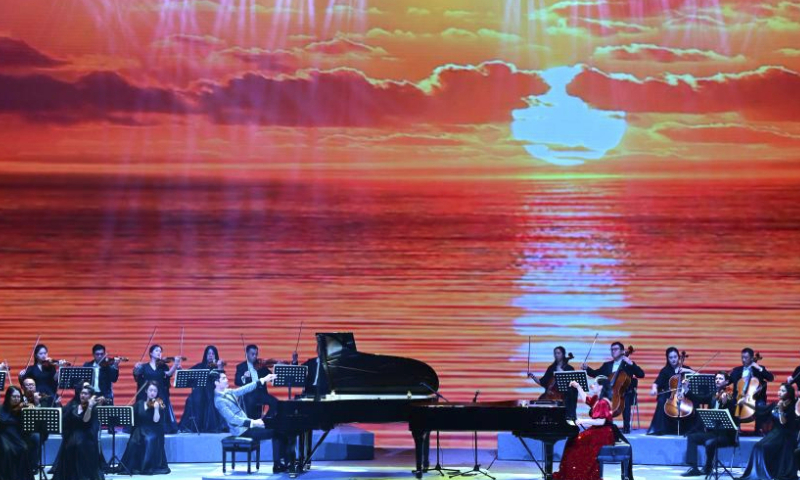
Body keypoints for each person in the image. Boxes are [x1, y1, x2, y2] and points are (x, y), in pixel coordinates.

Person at [212, 370, 295, 473]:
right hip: (242, 430)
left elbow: (244, 389)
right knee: (276, 433)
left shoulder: (227, 392)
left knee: (279, 429)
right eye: (223, 378)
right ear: (216, 383)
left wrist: (263, 380)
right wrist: (253, 422)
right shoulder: (219, 401)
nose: (226, 379)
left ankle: (285, 462)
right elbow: (233, 419)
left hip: (247, 426)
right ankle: (279, 464)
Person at [553, 376, 616, 480]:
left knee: (577, 442)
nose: (593, 386)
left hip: (603, 433)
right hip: (597, 431)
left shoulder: (603, 402)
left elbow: (601, 421)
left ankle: (578, 475)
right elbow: (586, 399)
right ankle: (570, 473)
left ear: (601, 387)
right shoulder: (597, 399)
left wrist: (583, 421)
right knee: (573, 441)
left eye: (595, 384)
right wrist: (578, 386)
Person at [736, 383, 798, 480]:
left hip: (785, 435)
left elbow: (784, 423)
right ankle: (757, 474)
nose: (779, 392)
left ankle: (768, 473)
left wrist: (781, 410)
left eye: (783, 391)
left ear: (789, 393)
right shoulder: (775, 405)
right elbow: (760, 410)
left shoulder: (793, 407)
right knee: (757, 446)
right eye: (779, 390)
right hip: (774, 433)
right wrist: (746, 403)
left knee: (764, 447)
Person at [682, 371, 738, 476]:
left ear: (726, 381)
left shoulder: (731, 396)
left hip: (727, 434)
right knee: (692, 437)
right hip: (713, 432)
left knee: (709, 442)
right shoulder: (713, 395)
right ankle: (694, 467)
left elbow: (734, 413)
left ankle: (708, 467)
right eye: (716, 378)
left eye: (720, 378)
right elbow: (699, 399)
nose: (717, 380)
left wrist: (726, 404)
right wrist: (686, 388)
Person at [582, 341, 646, 433]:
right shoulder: (607, 365)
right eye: (612, 350)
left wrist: (630, 363)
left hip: (625, 392)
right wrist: (587, 368)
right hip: (609, 392)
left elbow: (641, 374)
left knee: (625, 398)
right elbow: (596, 374)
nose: (613, 351)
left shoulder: (628, 364)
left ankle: (626, 427)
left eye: (615, 349)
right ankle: (600, 424)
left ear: (622, 351)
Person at [52, 384, 105, 480]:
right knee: (69, 444)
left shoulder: (94, 409)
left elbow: (86, 421)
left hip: (86, 437)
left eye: (85, 394)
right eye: (82, 393)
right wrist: (58, 404)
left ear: (91, 396)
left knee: (79, 445)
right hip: (73, 436)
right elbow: (65, 419)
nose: (82, 395)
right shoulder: (74, 406)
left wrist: (90, 406)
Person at [121, 381, 170, 475]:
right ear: (146, 391)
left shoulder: (160, 402)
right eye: (151, 390)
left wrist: (156, 409)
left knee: (149, 439)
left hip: (153, 430)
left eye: (155, 391)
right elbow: (132, 415)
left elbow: (156, 421)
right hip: (140, 429)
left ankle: (146, 468)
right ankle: (133, 466)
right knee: (133, 441)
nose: (152, 393)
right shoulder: (139, 403)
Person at [133, 345, 180, 434]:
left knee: (161, 406)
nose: (159, 353)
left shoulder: (163, 366)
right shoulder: (144, 366)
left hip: (160, 395)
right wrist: (136, 368)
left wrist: (175, 364)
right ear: (150, 353)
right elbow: (136, 376)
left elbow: (169, 374)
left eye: (160, 351)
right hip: (146, 395)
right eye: (156, 351)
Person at [648, 347, 696, 435]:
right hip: (670, 396)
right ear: (667, 358)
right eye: (671, 357)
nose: (673, 359)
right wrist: (654, 389)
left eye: (675, 357)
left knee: (695, 399)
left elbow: (697, 375)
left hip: (685, 394)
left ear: (679, 357)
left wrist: (687, 370)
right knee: (661, 400)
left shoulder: (685, 368)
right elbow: (656, 383)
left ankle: (692, 429)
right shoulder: (665, 370)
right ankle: (660, 428)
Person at [179, 345, 226, 433]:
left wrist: (220, 368)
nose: (210, 355)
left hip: (213, 392)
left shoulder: (217, 366)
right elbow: (187, 374)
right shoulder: (200, 366)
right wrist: (181, 369)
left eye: (213, 353)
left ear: (216, 355)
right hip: (200, 392)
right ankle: (191, 426)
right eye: (208, 353)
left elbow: (222, 380)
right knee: (190, 399)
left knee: (211, 398)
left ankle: (212, 425)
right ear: (205, 355)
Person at [730, 348, 775, 435]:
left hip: (756, 399)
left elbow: (771, 378)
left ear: (751, 358)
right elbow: (728, 380)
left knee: (760, 405)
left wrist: (758, 368)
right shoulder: (736, 370)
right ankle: (735, 430)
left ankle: (757, 431)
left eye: (746, 358)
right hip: (739, 397)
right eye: (742, 357)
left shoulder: (759, 369)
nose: (743, 360)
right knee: (730, 403)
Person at [528, 346, 578, 419]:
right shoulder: (551, 368)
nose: (556, 355)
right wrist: (532, 376)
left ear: (563, 354)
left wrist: (561, 372)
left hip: (564, 396)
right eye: (555, 353)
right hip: (550, 395)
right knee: (540, 401)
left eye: (558, 353)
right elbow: (543, 382)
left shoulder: (569, 368)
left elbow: (573, 385)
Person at [234, 344, 279, 419]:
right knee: (250, 401)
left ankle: (265, 420)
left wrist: (277, 367)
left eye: (256, 354)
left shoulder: (261, 365)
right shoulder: (241, 366)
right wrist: (244, 377)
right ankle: (251, 423)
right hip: (248, 394)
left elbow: (271, 376)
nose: (255, 356)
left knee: (275, 402)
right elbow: (237, 381)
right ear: (247, 354)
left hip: (261, 393)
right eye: (252, 354)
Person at [0, 386, 34, 480]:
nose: (16, 399)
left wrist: (28, 412)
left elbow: (27, 426)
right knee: (7, 450)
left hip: (16, 435)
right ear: (8, 397)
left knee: (24, 448)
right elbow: (3, 421)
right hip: (4, 435)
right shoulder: (2, 409)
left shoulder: (22, 409)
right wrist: (13, 411)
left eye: (18, 397)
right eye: (14, 397)